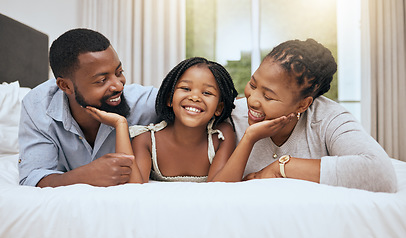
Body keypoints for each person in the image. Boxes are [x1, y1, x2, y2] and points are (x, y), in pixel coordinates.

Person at [227, 39, 397, 192]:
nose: (253, 100)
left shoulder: (328, 118)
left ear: (303, 104)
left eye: (269, 96)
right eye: (253, 84)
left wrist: (283, 167)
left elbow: (380, 173)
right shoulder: (232, 115)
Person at [18, 28, 158, 187]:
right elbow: (33, 177)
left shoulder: (143, 102)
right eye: (102, 80)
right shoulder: (38, 106)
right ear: (65, 86)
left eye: (119, 72)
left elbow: (186, 98)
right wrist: (85, 175)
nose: (118, 85)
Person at [85, 57, 238, 182]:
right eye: (185, 89)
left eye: (207, 93)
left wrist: (250, 137)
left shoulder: (221, 135)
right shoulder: (146, 140)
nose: (195, 97)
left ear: (218, 108)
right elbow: (133, 187)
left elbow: (220, 187)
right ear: (169, 99)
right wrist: (120, 124)